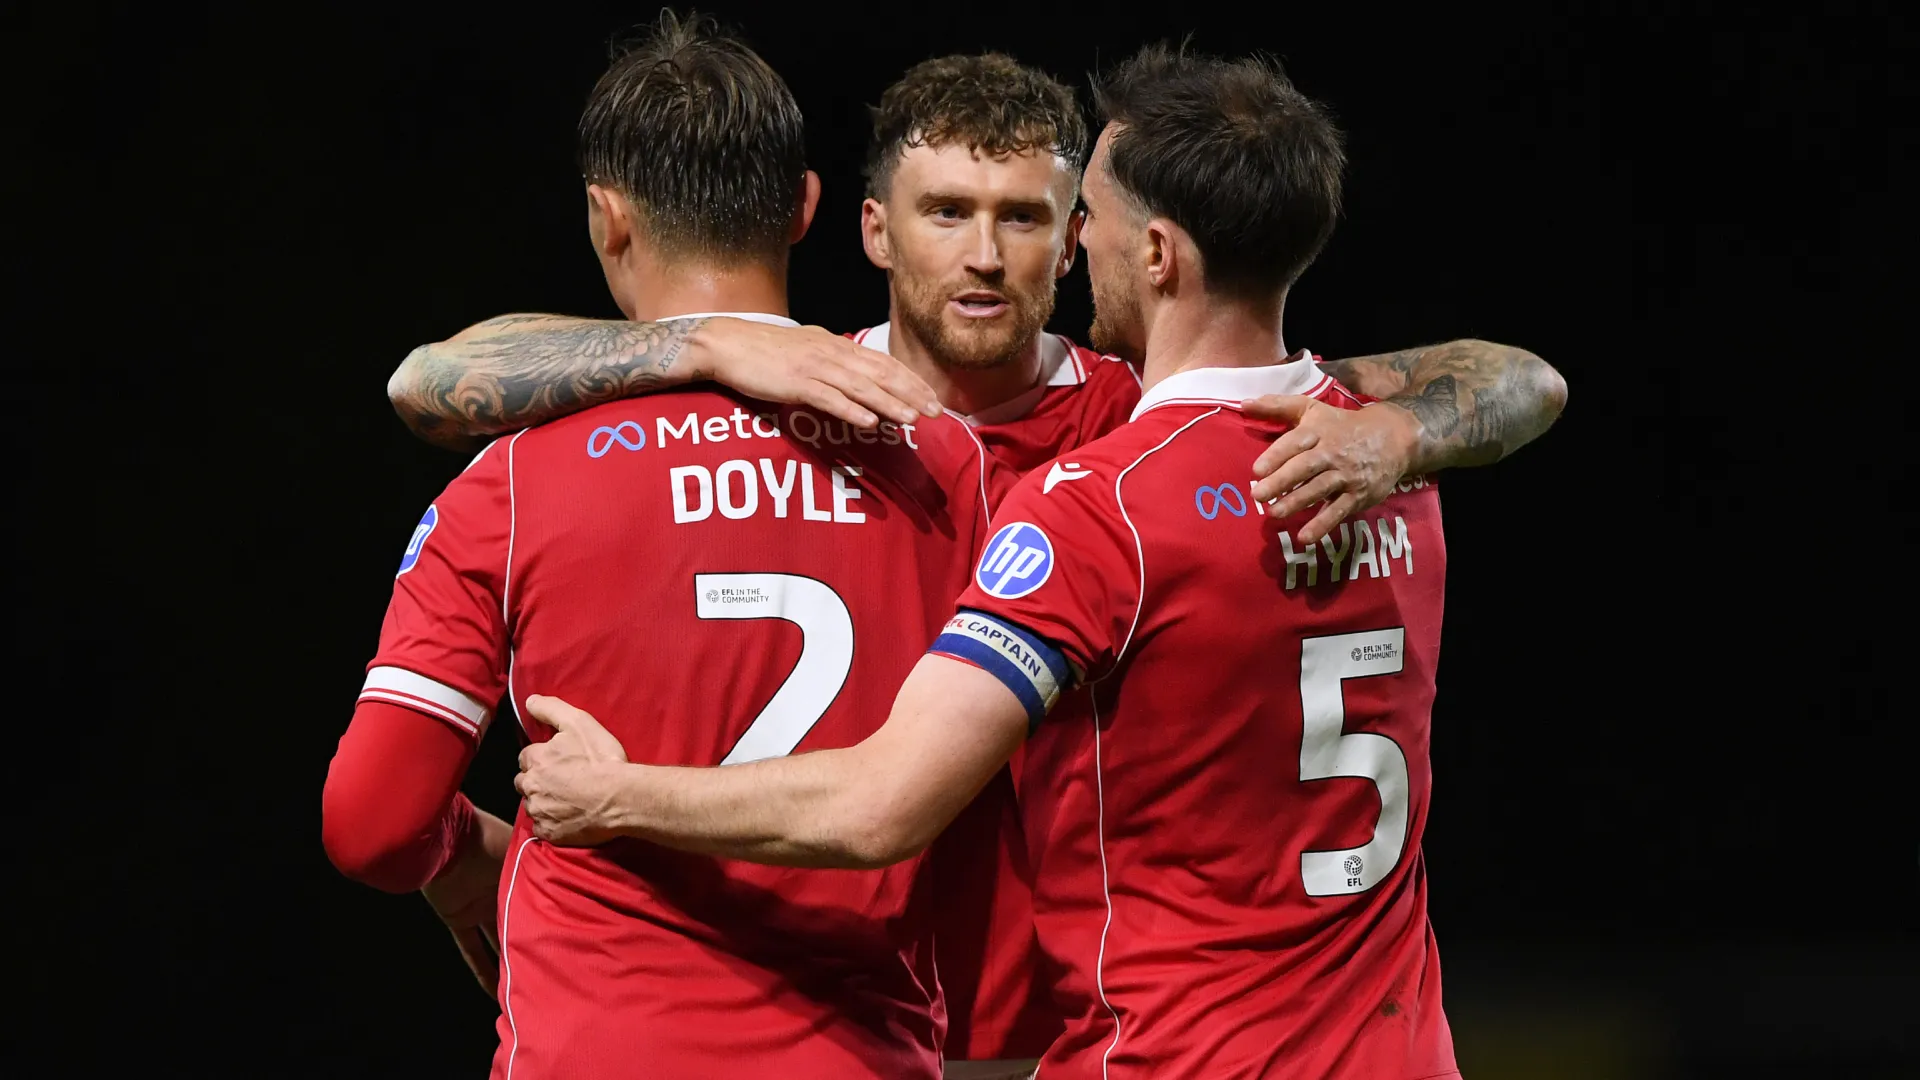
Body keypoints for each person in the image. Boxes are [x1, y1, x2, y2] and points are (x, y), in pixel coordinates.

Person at [383, 49, 1565, 1073]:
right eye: (948, 211)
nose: (987, 255)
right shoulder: (791, 396)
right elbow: (430, 379)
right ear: (870, 229)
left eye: (1029, 216)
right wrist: (698, 344)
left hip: (1067, 1022)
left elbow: (1508, 376)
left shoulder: (1131, 439)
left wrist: (1401, 431)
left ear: (1085, 241)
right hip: (836, 1011)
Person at [322, 14, 1013, 1077]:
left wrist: (465, 869)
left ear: (608, 221)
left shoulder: (512, 475)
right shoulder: (950, 466)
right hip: (864, 1051)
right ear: (806, 209)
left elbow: (371, 822)